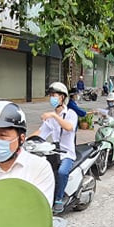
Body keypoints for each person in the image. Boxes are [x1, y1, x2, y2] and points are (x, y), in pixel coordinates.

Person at [33, 81, 78, 215]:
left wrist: (53, 115)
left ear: (62, 97)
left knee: (62, 172)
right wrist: (23, 140)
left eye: (54, 95)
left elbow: (69, 127)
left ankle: (59, 199)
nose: (52, 98)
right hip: (54, 152)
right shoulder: (50, 118)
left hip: (67, 154)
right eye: (51, 95)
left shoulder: (71, 114)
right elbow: (41, 132)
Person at [95, 93, 114, 172]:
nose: (110, 103)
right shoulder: (106, 109)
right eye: (108, 101)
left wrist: (111, 119)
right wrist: (100, 118)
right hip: (107, 128)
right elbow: (102, 120)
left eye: (111, 101)